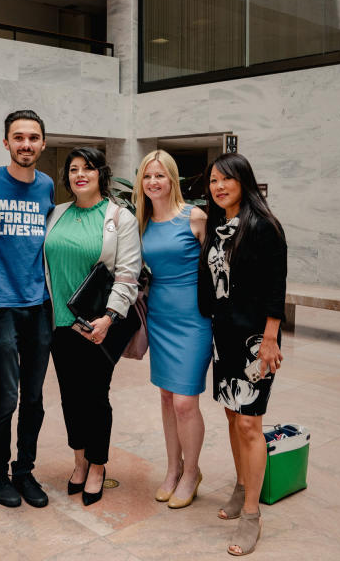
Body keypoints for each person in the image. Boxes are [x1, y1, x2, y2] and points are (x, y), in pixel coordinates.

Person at [198, 152, 287, 556]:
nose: (218, 187)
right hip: (224, 337)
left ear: (243, 181)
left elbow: (275, 286)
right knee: (233, 417)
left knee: (251, 424)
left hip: (255, 339)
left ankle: (252, 514)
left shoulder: (264, 226)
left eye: (225, 180)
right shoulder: (218, 225)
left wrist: (270, 337)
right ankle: (239, 485)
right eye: (213, 181)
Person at [44, 147, 141, 506]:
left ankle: (98, 465)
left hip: (99, 323)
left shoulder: (120, 217)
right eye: (73, 169)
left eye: (87, 168)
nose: (79, 174)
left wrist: (109, 317)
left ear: (101, 173)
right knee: (70, 394)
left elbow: (128, 274)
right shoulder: (57, 213)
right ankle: (79, 460)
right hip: (59, 323)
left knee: (95, 395)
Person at [0, 110, 54, 508]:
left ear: (43, 143)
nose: (26, 144)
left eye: (33, 137)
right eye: (18, 137)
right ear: (6, 142)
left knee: (35, 398)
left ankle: (24, 471)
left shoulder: (47, 186)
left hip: (39, 304)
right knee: (6, 397)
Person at [132, 150, 212, 509]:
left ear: (172, 179)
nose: (153, 182)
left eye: (160, 176)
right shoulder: (141, 222)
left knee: (184, 402)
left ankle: (192, 471)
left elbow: (218, 272)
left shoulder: (195, 218)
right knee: (166, 397)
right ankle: (172, 469)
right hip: (159, 318)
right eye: (147, 176)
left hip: (194, 320)